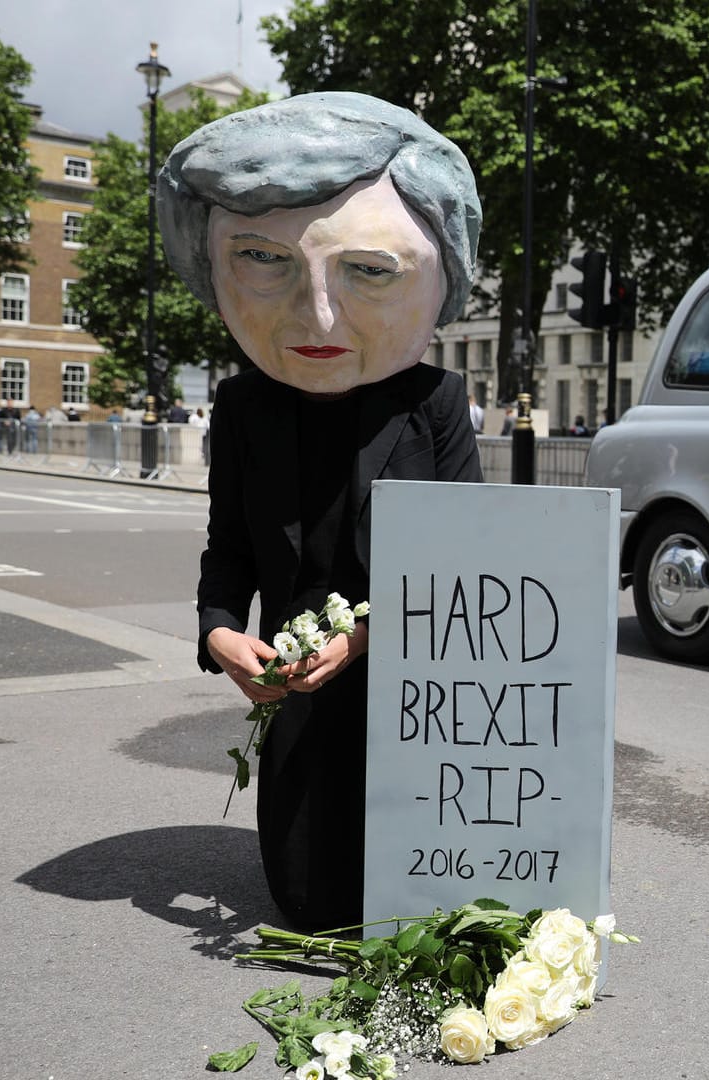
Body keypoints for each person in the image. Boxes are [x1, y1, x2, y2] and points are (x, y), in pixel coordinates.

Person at [161, 91, 484, 931]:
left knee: (405, 898)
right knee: (306, 901)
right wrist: (219, 633)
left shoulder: (438, 402)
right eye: (265, 262)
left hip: (410, 696)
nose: (320, 315)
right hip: (296, 701)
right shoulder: (242, 408)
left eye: (369, 271)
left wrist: (362, 639)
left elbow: (460, 569)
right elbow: (227, 549)